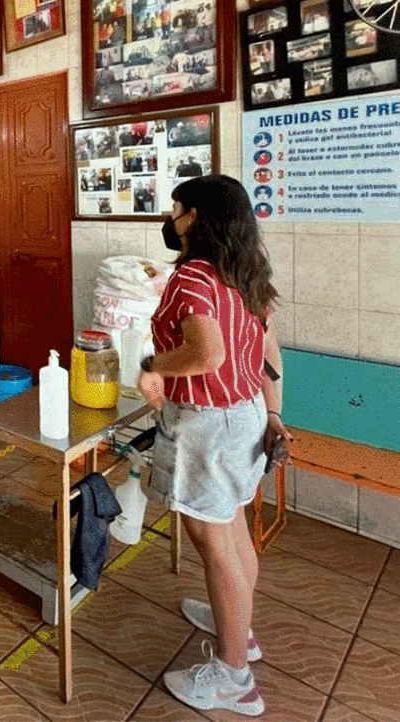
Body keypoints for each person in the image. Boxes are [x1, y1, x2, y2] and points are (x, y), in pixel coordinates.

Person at [136, 174, 290, 716]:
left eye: (177, 209)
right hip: (246, 413)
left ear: (195, 217)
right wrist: (273, 414)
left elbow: (207, 355)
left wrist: (152, 367)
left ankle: (234, 678)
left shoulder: (192, 276)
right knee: (231, 528)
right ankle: (238, 630)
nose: (172, 219)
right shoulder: (245, 271)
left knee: (213, 540)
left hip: (208, 423)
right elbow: (267, 352)